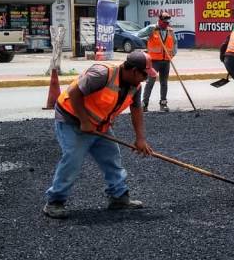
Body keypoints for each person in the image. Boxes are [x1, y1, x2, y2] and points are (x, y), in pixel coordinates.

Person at [44, 50, 156, 219]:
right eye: (144, 75)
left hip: (98, 124)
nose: (145, 79)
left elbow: (136, 109)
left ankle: (119, 197)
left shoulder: (135, 86)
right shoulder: (102, 74)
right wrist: (84, 121)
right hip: (72, 120)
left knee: (112, 158)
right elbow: (74, 93)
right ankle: (54, 202)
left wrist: (140, 139)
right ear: (134, 71)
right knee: (72, 159)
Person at [136, 11, 176, 112]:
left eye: (168, 22)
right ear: (159, 21)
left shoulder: (170, 31)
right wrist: (150, 30)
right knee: (150, 82)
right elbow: (139, 34)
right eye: (165, 22)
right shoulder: (152, 29)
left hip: (166, 61)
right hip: (154, 61)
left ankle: (163, 103)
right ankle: (144, 104)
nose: (167, 24)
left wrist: (172, 54)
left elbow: (175, 43)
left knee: (164, 83)